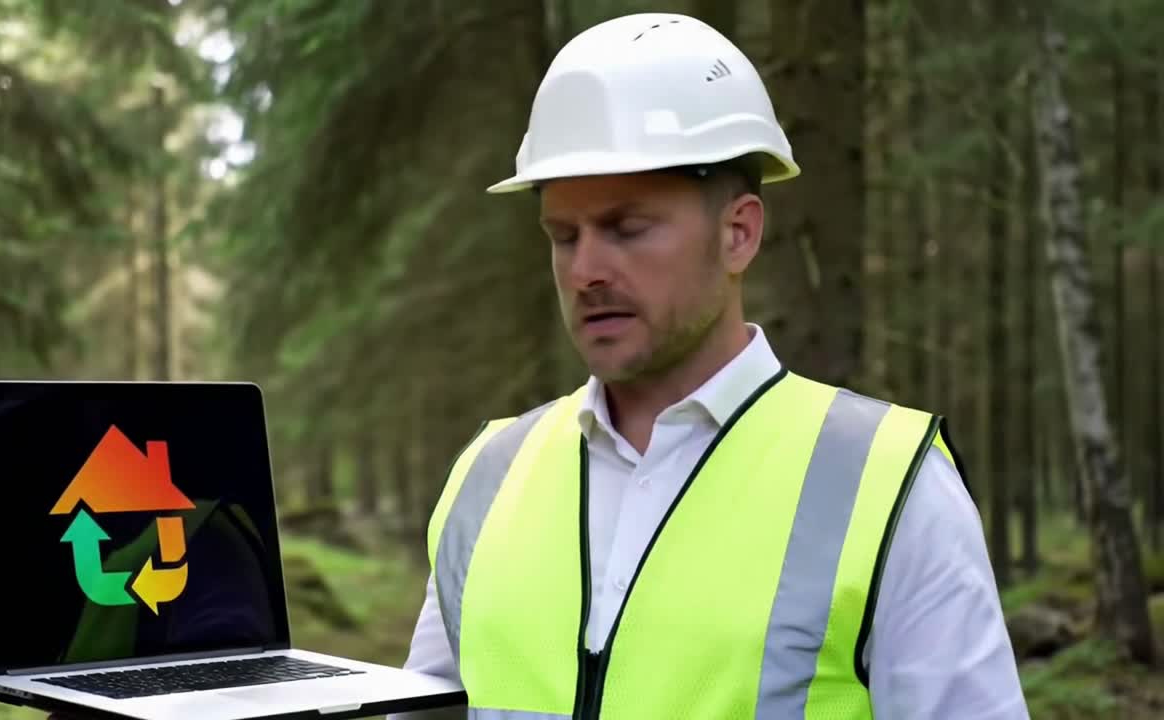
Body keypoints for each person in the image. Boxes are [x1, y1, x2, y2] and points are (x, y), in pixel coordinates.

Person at [388, 11, 1028, 720]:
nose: (586, 270)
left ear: (738, 233)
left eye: (627, 229)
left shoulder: (888, 484)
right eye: (564, 236)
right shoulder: (488, 476)